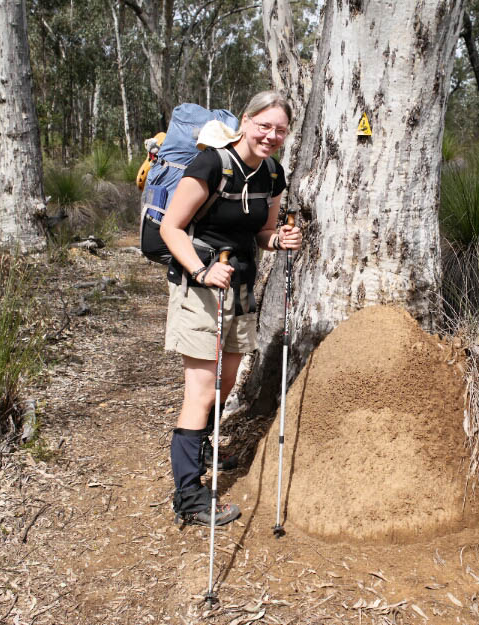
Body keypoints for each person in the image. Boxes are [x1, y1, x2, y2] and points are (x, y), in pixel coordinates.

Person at [159, 91, 302, 527]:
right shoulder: (212, 165)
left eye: (280, 129)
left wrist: (279, 240)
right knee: (200, 391)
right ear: (246, 121)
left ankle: (203, 447)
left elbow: (262, 231)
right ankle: (189, 495)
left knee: (225, 381)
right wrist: (202, 271)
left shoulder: (272, 174)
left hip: (240, 288)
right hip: (200, 288)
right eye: (264, 125)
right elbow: (171, 227)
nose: (271, 135)